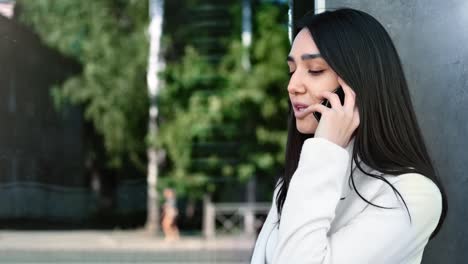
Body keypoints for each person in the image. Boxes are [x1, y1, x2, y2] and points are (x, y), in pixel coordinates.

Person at [250, 7, 447, 264]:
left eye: (315, 70)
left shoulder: (413, 195)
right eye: (292, 70)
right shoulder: (299, 177)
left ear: (359, 82)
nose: (292, 86)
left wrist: (324, 151)